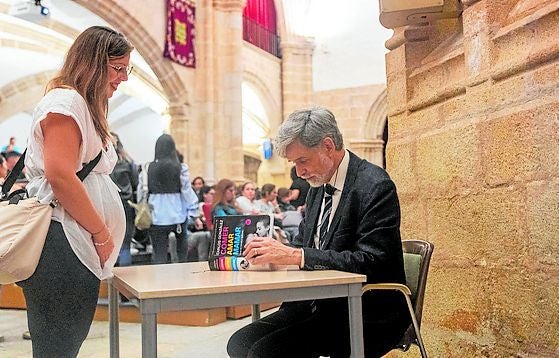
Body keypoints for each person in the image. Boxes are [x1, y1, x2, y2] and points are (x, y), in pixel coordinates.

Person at [227, 107, 409, 358]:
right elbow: (303, 243)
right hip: (317, 303)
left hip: (363, 310)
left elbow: (372, 261)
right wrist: (274, 255)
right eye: (294, 163)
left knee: (264, 352)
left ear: (327, 146)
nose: (299, 172)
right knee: (239, 342)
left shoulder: (374, 185)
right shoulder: (317, 185)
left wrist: (295, 256)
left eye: (302, 161)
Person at [16, 26, 132, 357]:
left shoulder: (81, 105)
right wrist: (100, 232)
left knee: (63, 344)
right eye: (118, 68)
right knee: (57, 346)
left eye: (127, 69)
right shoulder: (66, 102)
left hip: (71, 243)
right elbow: (61, 176)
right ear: (94, 64)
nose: (123, 78)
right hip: (61, 242)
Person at [137, 134, 198, 264]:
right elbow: (186, 190)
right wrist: (193, 207)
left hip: (156, 215)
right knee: (181, 253)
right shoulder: (181, 168)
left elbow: (142, 191)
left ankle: (160, 281)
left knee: (159, 254)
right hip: (178, 215)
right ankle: (182, 279)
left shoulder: (147, 168)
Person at [109, 132, 139, 266]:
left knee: (108, 242)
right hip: (126, 203)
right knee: (125, 244)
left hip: (108, 203)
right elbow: (135, 183)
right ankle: (124, 281)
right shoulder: (128, 162)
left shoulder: (102, 163)